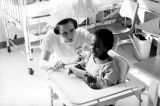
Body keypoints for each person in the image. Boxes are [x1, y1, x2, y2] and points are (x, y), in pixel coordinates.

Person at [39, 6, 92, 73]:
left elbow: (97, 52)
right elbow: (42, 63)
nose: (70, 36)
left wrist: (86, 59)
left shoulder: (83, 34)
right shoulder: (51, 35)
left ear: (75, 27)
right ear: (58, 33)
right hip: (59, 67)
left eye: (72, 30)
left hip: (78, 65)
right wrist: (53, 65)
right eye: (65, 33)